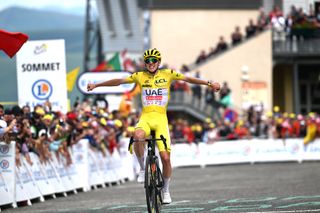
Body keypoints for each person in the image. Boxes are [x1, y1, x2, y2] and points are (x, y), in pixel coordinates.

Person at [87, 48, 220, 204]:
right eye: (148, 61)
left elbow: (188, 79)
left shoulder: (168, 74)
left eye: (154, 61)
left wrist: (209, 83)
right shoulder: (139, 76)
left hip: (161, 119)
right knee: (137, 136)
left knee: (165, 158)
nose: (151, 64)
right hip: (146, 117)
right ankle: (142, 168)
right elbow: (119, 81)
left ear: (158, 62)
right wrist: (97, 85)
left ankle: (166, 189)